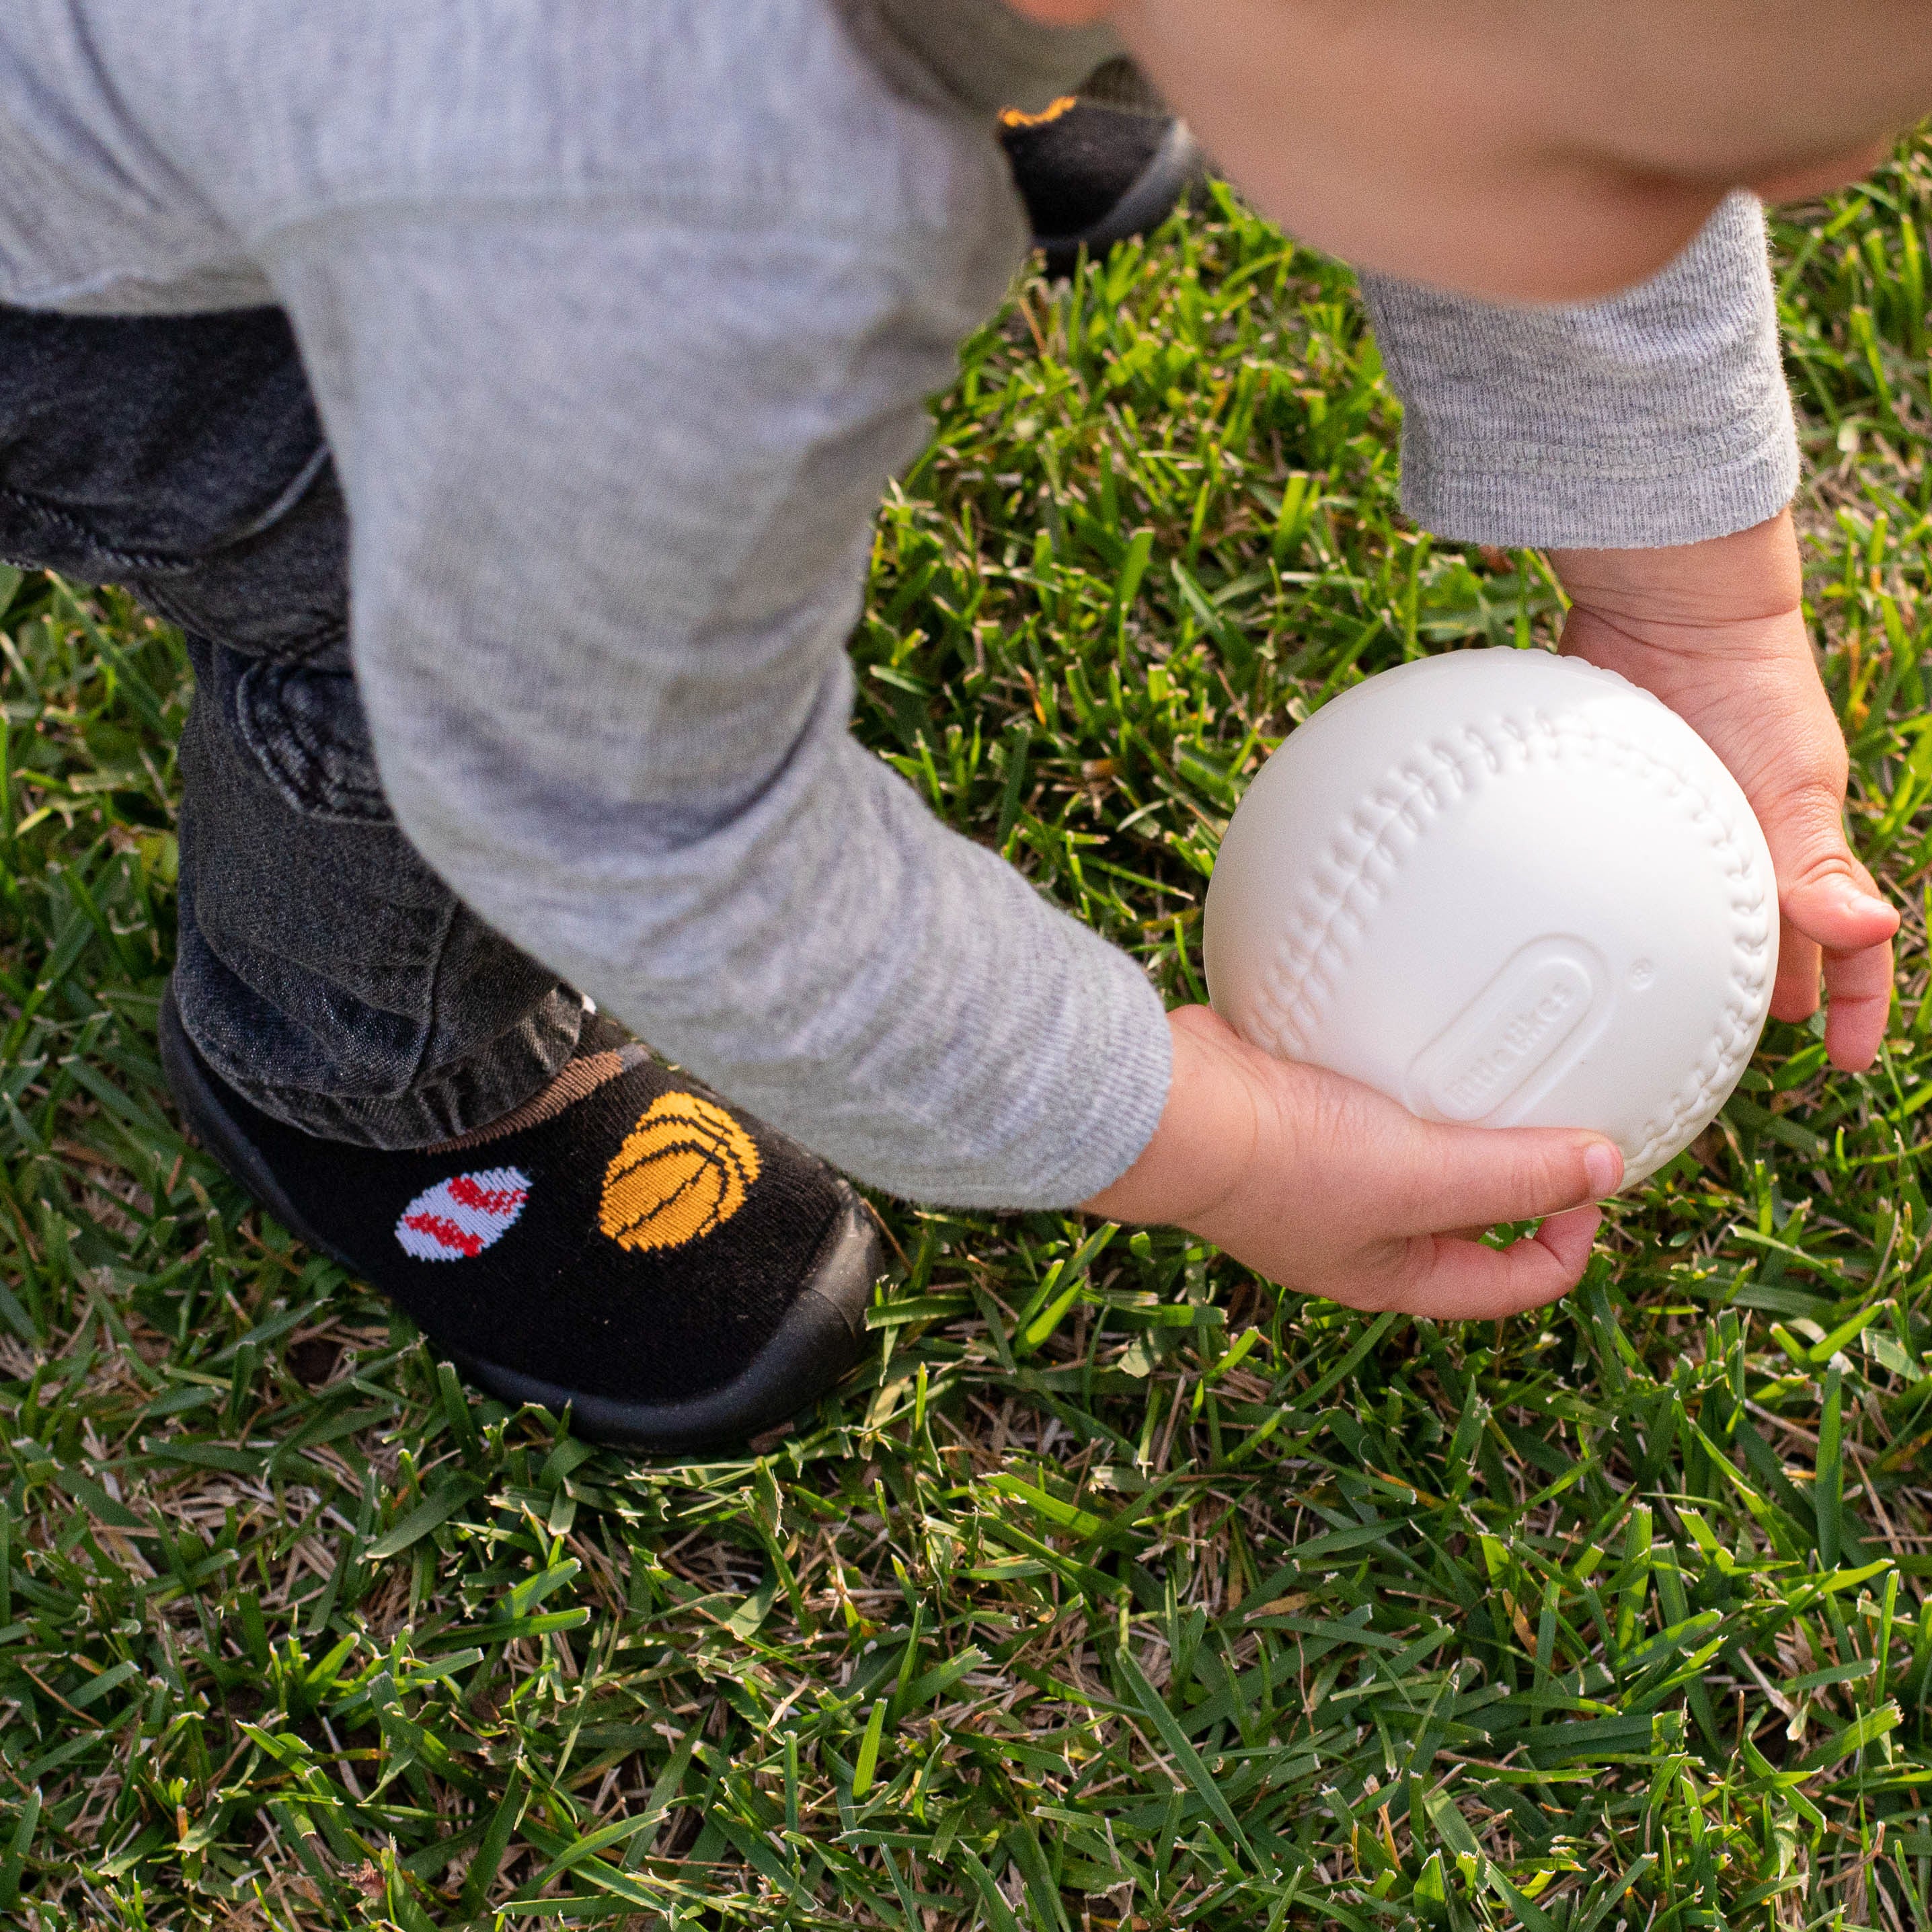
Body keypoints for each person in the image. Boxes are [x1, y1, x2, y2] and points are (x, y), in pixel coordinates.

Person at [0, 0, 1915, 1446]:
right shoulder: (653, 219)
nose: (1729, 220)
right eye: (1637, 181)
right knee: (401, 550)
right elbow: (644, 821)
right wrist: (1207, 1138)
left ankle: (1002, 50)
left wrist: (1696, 608)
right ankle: (358, 1063)